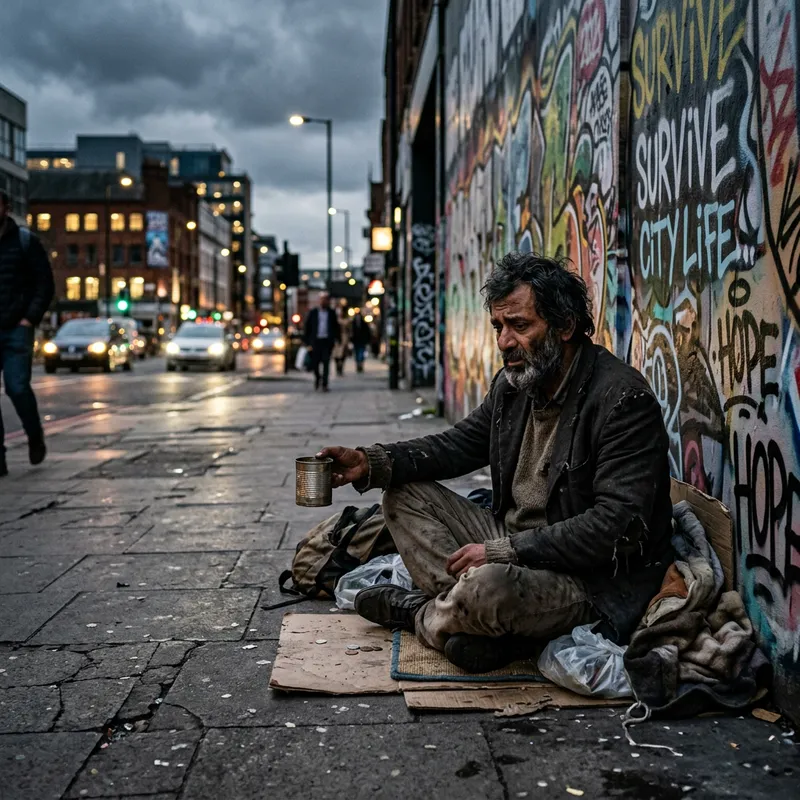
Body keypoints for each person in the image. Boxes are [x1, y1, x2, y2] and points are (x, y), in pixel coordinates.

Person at [318, 253, 673, 672]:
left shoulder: (621, 400)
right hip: (510, 542)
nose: (504, 341)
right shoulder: (515, 386)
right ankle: (477, 622)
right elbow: (458, 444)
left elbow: (615, 528)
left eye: (520, 326)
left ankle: (420, 613)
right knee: (402, 495)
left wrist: (506, 552)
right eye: (499, 327)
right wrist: (372, 462)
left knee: (490, 586)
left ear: (564, 327)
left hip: (588, 580)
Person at [0, 190, 55, 477]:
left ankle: (34, 435)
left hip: (16, 329)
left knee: (17, 387)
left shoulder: (25, 242)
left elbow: (44, 283)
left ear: (6, 207)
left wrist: (29, 318)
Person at [303, 292, 340, 391]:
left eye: (326, 300)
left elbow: (336, 327)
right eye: (322, 299)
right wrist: (307, 341)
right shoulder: (313, 312)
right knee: (315, 363)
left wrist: (336, 340)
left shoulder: (331, 313)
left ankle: (325, 384)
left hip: (327, 341)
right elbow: (308, 327)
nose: (324, 302)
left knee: (326, 363)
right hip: (316, 341)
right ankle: (317, 378)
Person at [332, 305, 351, 377]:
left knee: (343, 353)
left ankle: (341, 367)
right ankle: (338, 366)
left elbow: (349, 330)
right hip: (337, 338)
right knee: (336, 354)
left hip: (344, 338)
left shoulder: (347, 320)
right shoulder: (336, 320)